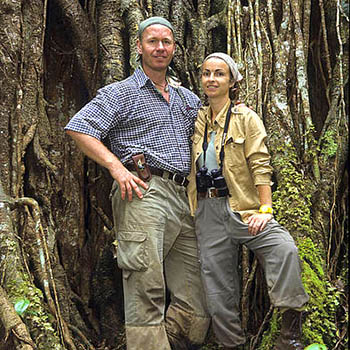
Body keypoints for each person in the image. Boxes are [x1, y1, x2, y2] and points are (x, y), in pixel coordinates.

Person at [65, 16, 210, 350]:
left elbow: (212, 130)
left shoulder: (187, 98)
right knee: (146, 286)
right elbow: (78, 127)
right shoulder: (121, 93)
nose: (160, 48)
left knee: (197, 295)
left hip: (184, 197)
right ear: (139, 47)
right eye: (152, 41)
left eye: (166, 42)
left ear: (175, 47)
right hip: (144, 192)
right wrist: (117, 168)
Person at [187, 52, 309, 350]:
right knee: (217, 287)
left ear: (232, 81)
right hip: (206, 209)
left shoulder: (246, 117)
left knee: (284, 249)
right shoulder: (196, 118)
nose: (211, 79)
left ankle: (290, 335)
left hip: (243, 208)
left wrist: (265, 209)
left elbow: (260, 163)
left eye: (219, 74)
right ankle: (232, 345)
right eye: (206, 73)